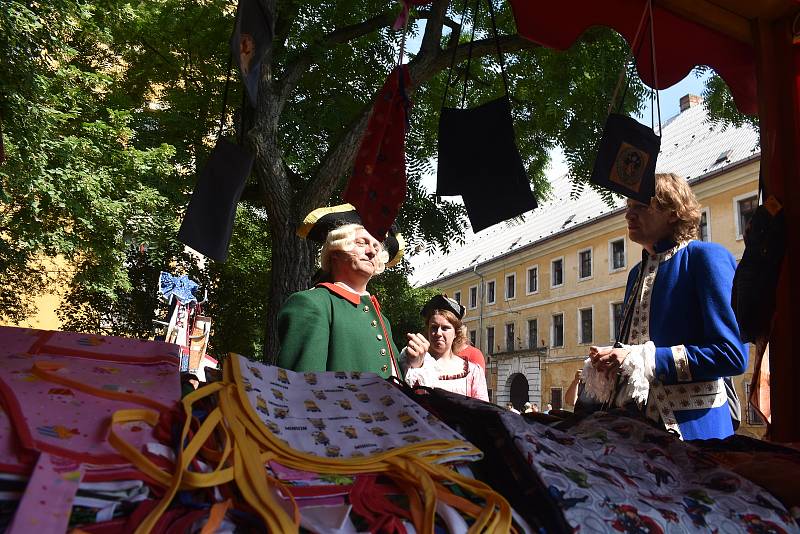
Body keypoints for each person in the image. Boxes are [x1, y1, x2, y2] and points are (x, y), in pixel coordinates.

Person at [581, 173, 747, 441]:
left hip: (694, 433)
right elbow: (636, 349)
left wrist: (647, 359)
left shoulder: (705, 257)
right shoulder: (637, 273)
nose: (629, 216)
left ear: (672, 212)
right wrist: (612, 359)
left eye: (641, 207)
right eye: (628, 208)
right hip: (635, 432)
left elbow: (731, 355)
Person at [277, 204, 404, 378]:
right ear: (335, 251)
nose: (371, 252)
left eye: (376, 247)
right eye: (362, 243)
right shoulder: (313, 303)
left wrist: (410, 363)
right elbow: (303, 388)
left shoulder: (382, 320)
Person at [401, 294, 489, 401]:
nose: (438, 333)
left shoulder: (473, 372)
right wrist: (414, 365)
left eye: (445, 328)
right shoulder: (413, 365)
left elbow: (483, 411)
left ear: (456, 333)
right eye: (434, 327)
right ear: (427, 330)